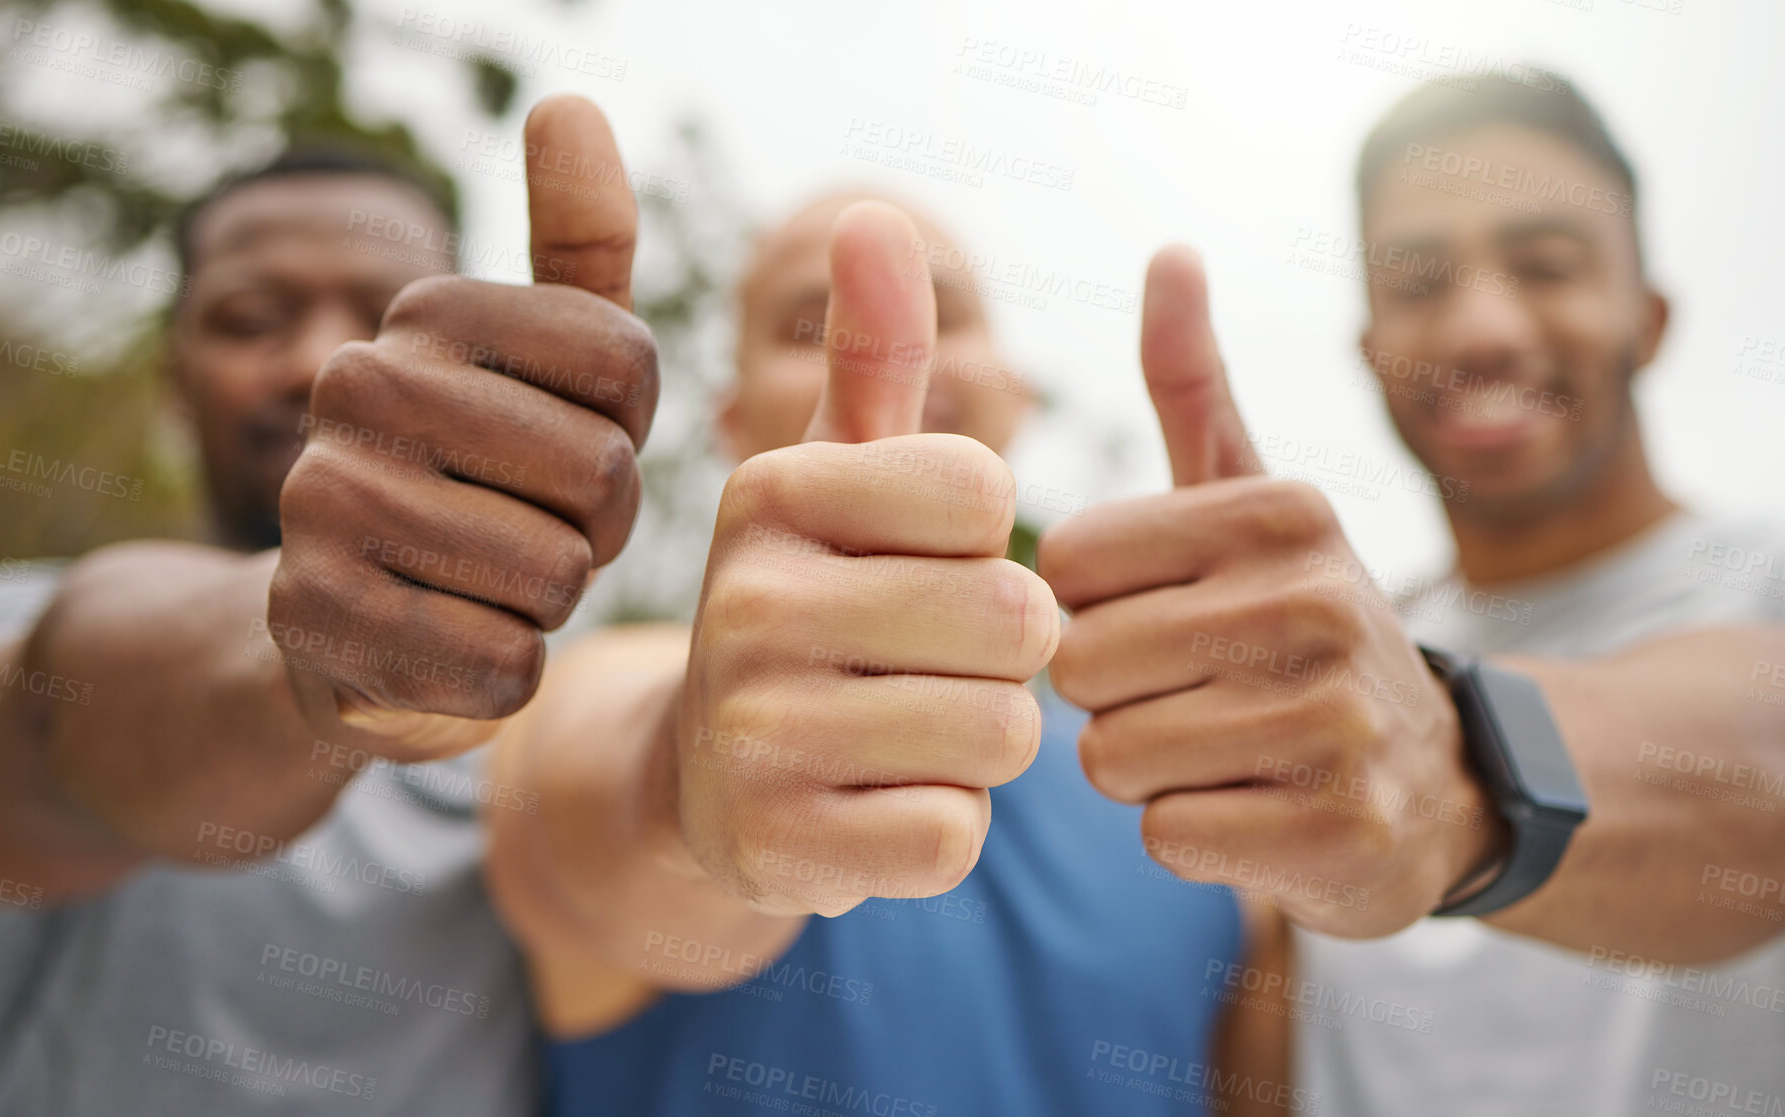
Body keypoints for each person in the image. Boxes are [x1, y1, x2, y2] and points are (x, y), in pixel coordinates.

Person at [1033, 72, 1785, 1114]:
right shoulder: (1325, 682)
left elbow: (1754, 763)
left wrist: (1446, 769)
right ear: (1369, 346)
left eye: (1544, 266)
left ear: (1647, 318)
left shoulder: (1762, 578)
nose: (1480, 326)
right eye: (1419, 282)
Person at [474, 192, 1287, 1115]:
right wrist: (684, 792)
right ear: (730, 423)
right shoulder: (615, 686)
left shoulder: (1185, 818)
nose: (889, 344)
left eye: (949, 312)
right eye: (802, 326)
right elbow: (595, 814)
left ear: (1016, 391)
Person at [0, 95, 657, 1114]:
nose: (318, 362)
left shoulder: (558, 725)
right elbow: (53, 735)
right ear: (174, 380)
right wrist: (314, 667)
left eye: (388, 317)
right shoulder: (22, 635)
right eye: (250, 318)